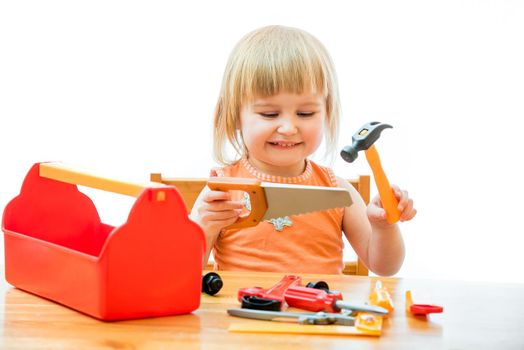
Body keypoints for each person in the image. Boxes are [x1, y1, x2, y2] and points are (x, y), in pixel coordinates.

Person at [190, 25, 416, 275]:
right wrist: (203, 227)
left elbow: (385, 267)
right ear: (234, 117)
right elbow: (181, 276)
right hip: (241, 313)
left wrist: (383, 226)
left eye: (306, 113)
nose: (288, 128)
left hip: (321, 312)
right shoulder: (222, 190)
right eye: (269, 114)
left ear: (327, 114)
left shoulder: (337, 191)